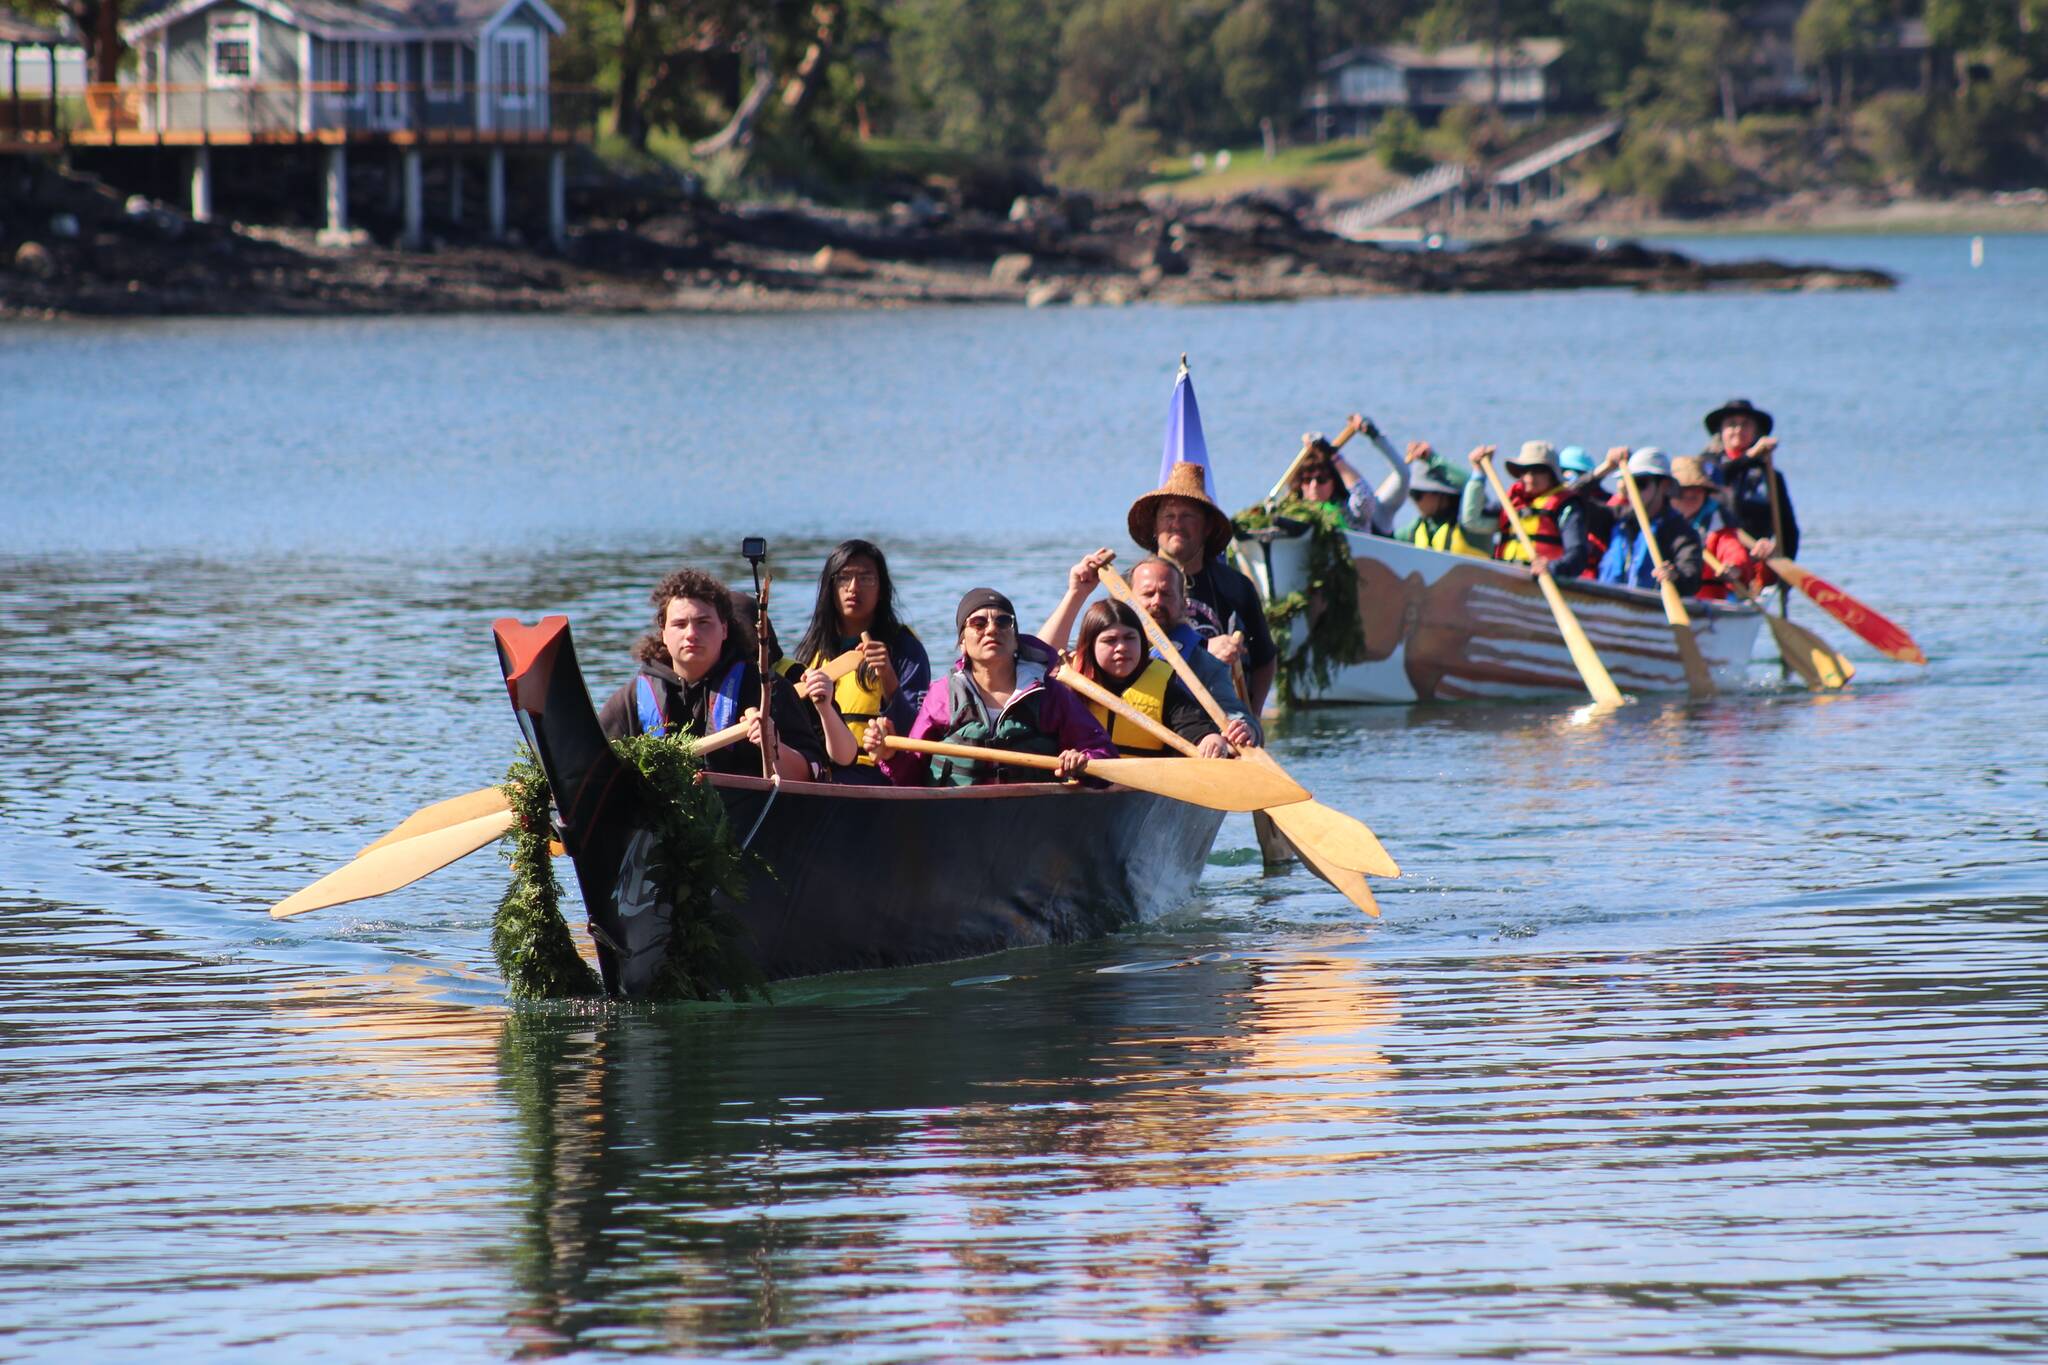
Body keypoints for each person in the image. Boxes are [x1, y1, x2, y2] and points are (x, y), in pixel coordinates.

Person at [864, 589, 1113, 787]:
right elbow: (911, 775)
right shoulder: (941, 694)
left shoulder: (1050, 694)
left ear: (1016, 640)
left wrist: (1083, 761)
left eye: (1003, 621)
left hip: (1032, 820)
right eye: (978, 623)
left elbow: (1103, 754)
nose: (992, 629)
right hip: (958, 820)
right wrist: (890, 754)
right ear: (962, 642)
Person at [597, 568, 827, 780]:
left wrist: (774, 747)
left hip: (748, 815)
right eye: (680, 624)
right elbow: (595, 769)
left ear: (724, 629)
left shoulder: (767, 690)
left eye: (703, 622)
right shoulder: (632, 699)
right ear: (663, 633)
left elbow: (813, 775)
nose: (691, 634)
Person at [1129, 462, 1278, 714]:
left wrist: (1253, 717)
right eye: (1168, 516)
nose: (1177, 524)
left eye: (1187, 516)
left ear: (1207, 527)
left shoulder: (1236, 587)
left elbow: (1265, 660)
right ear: (1155, 526)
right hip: (1149, 712)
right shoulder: (1127, 585)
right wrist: (1205, 651)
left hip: (1220, 717)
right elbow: (1113, 650)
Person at [788, 539, 931, 778]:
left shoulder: (905, 647)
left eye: (866, 578)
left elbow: (917, 730)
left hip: (876, 772)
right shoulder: (812, 649)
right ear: (830, 586)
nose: (853, 587)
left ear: (881, 589)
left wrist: (887, 674)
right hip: (821, 771)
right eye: (844, 577)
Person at [1072, 599, 1249, 758]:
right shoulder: (1071, 688)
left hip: (1144, 784)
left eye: (1129, 638)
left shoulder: (1165, 688)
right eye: (1110, 640)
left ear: (1142, 642)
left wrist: (1213, 741)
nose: (1121, 647)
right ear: (1090, 646)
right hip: (1081, 781)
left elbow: (1196, 728)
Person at [1125, 556, 1264, 745]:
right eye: (1148, 594)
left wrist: (1247, 730)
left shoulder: (1206, 665)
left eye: (1166, 594)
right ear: (1128, 601)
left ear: (1183, 605)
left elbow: (1239, 718)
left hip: (1180, 763)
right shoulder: (1109, 652)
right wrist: (1078, 592)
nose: (1157, 601)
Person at [1472, 440, 1592, 579]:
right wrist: (1478, 473)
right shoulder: (1512, 502)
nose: (1529, 478)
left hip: (1544, 580)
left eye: (1538, 471)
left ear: (1552, 475)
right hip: (1507, 578)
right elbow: (1472, 519)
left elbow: (1577, 553)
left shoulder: (1567, 506)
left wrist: (1553, 567)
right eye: (1524, 471)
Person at [1596, 448, 1705, 595]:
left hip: (1650, 607)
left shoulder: (1680, 531)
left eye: (1640, 483)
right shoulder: (1616, 518)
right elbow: (1572, 498)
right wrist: (1605, 468)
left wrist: (1675, 577)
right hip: (1607, 603)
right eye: (1629, 484)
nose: (1632, 491)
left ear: (1664, 485)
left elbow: (1691, 577)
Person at [1701, 398, 1799, 560]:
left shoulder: (1770, 476)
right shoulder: (1707, 464)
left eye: (1745, 424)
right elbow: (1719, 476)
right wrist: (1751, 455)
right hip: (1715, 557)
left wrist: (1784, 563)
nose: (1738, 430)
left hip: (1756, 555)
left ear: (1756, 431)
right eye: (1732, 424)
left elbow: (1788, 528)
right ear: (1721, 431)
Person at [1671, 455, 1771, 601]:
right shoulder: (1659, 523)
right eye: (1682, 490)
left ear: (1705, 493)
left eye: (1697, 490)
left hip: (1708, 601)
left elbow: (1733, 550)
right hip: (1667, 596)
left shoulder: (1718, 527)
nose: (1690, 494)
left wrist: (1735, 568)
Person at [1288, 422, 1411, 534]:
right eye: (1307, 480)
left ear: (1333, 482)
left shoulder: (1349, 512)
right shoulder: (1293, 511)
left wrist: (1333, 456)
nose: (1314, 486)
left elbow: (1364, 498)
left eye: (1321, 480)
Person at [1558, 445, 1616, 562]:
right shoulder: (1552, 503)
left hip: (1591, 574)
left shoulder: (1605, 505)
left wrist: (1608, 467)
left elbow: (1574, 491)